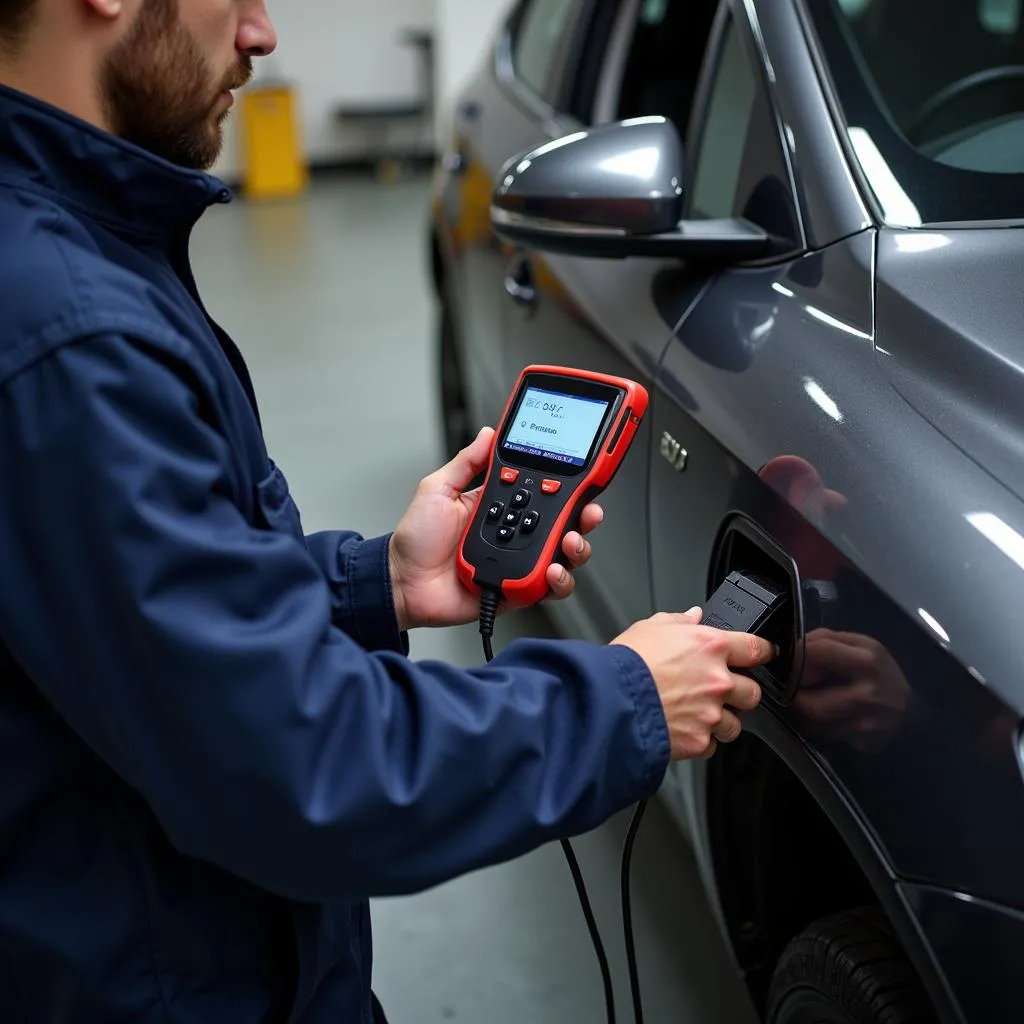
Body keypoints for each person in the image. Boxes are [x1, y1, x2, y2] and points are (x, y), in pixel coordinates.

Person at [0, 1, 774, 1021]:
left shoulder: (62, 259)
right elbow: (303, 765)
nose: (261, 33)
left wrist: (374, 585)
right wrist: (625, 699)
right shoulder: (73, 334)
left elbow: (125, 618)